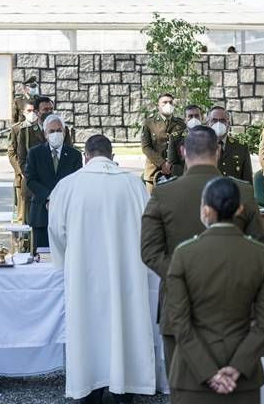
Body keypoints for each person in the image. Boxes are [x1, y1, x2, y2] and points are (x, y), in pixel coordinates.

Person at [140, 125, 264, 378]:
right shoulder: (242, 191)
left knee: (185, 386)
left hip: (179, 304)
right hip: (233, 305)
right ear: (218, 151)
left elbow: (150, 251)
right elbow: (258, 248)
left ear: (183, 152)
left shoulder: (164, 193)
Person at [48, 135, 155, 404]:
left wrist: (66, 261)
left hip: (84, 273)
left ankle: (89, 387)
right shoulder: (133, 184)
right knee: (125, 324)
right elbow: (148, 231)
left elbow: (57, 233)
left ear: (86, 156)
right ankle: (124, 386)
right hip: (125, 273)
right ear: (112, 154)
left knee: (87, 328)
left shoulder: (68, 185)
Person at [166, 177, 264, 403]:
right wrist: (237, 367)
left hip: (192, 376)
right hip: (243, 379)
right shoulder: (259, 254)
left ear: (205, 211)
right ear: (239, 209)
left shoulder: (184, 254)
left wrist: (207, 371)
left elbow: (178, 321)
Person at [24, 114, 82, 249]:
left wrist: (58, 200)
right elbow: (31, 180)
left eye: (58, 130)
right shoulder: (34, 153)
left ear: (64, 132)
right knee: (42, 257)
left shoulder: (75, 155)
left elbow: (76, 182)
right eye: (51, 131)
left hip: (67, 215)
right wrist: (50, 196)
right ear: (45, 134)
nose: (55, 134)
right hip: (41, 214)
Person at [17, 96, 73, 224]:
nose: (49, 112)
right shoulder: (26, 133)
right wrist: (43, 186)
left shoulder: (63, 131)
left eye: (51, 109)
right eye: (45, 109)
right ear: (37, 112)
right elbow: (22, 161)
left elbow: (68, 156)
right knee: (32, 232)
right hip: (34, 191)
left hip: (59, 191)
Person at [141, 93, 186, 192]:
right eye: (164, 102)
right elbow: (146, 147)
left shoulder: (181, 124)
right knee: (153, 204)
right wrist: (162, 163)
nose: (168, 104)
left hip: (176, 173)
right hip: (153, 172)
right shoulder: (149, 123)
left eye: (170, 102)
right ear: (158, 106)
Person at [7, 99, 37, 223]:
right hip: (22, 176)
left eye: (34, 111)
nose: (32, 113)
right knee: (21, 215)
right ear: (23, 112)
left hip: (38, 177)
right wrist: (21, 171)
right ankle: (21, 240)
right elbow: (11, 152)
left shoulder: (42, 128)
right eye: (29, 111)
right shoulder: (16, 129)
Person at [206, 106, 253, 183]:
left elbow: (247, 181)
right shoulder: (200, 146)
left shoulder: (241, 147)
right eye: (214, 120)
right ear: (208, 123)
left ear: (228, 124)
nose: (218, 124)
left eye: (222, 120)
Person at [167, 104, 203, 177]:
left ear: (201, 118)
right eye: (190, 116)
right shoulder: (175, 138)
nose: (194, 119)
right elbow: (173, 164)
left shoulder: (210, 136)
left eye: (196, 116)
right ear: (185, 119)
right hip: (184, 178)